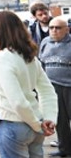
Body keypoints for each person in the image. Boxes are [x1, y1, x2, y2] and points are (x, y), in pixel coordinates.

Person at [0, 11, 57, 157]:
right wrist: (48, 118)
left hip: (13, 123)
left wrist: (38, 125)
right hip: (33, 121)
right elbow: (47, 91)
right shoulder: (29, 57)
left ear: (0, 31)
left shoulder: (2, 58)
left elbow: (18, 101)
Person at [39, 16, 71, 157]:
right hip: (52, 87)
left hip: (69, 86)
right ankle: (65, 149)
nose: (54, 31)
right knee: (60, 120)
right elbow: (41, 63)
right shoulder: (45, 42)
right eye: (51, 27)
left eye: (58, 28)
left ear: (67, 29)